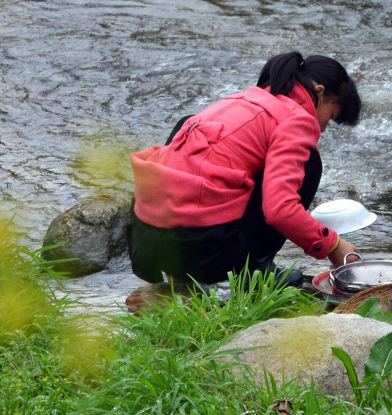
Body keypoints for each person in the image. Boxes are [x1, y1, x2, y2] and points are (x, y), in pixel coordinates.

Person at [128, 52, 363, 286]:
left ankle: (179, 277)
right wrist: (333, 246)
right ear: (319, 92)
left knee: (187, 122)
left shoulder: (241, 100)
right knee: (310, 163)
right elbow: (280, 210)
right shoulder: (295, 120)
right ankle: (252, 272)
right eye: (330, 117)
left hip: (145, 246)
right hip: (202, 256)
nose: (322, 129)